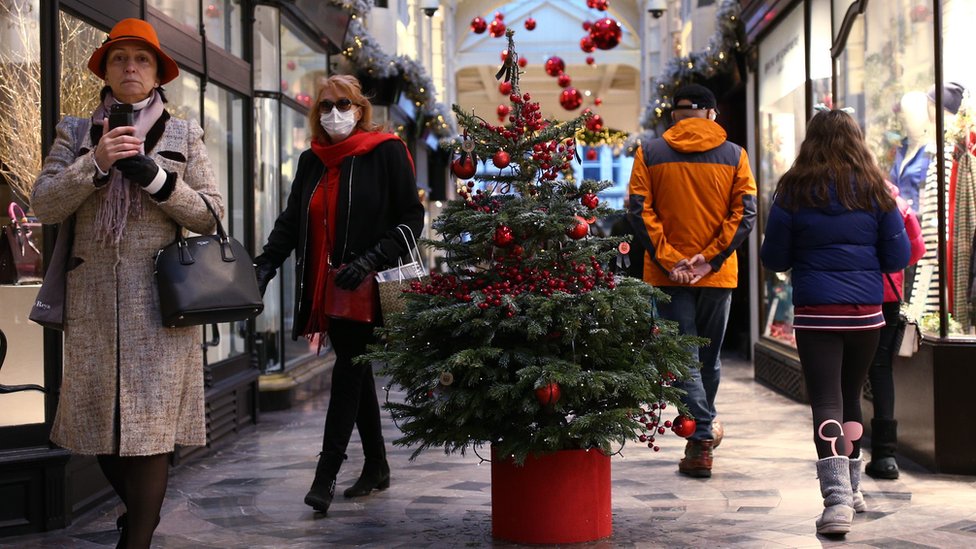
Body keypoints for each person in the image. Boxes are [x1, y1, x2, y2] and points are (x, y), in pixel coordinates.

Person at [30, 18, 221, 549]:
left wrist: (156, 178)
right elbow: (43, 203)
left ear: (158, 71)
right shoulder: (74, 131)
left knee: (150, 433)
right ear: (106, 71)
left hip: (161, 304)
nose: (130, 67)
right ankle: (138, 516)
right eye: (119, 59)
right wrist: (95, 164)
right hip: (90, 305)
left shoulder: (185, 134)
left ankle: (136, 539)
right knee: (102, 430)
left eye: (141, 59)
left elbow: (210, 216)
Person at [252, 74, 424, 515]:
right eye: (325, 106)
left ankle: (325, 475)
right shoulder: (312, 160)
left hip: (369, 284)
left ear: (360, 109)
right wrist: (267, 263)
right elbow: (293, 219)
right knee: (356, 366)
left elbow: (411, 217)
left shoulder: (385, 151)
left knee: (348, 368)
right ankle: (377, 466)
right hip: (327, 287)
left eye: (343, 105)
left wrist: (370, 260)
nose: (334, 114)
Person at [760, 109, 910, 536]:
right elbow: (897, 258)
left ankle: (837, 501)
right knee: (850, 397)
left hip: (816, 312)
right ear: (857, 140)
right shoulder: (877, 190)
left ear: (811, 141)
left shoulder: (793, 188)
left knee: (825, 401)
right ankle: (855, 488)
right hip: (867, 314)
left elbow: (775, 258)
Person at [626, 83, 757, 478]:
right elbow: (745, 214)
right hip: (716, 275)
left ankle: (699, 436)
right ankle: (702, 433)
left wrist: (672, 260)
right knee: (707, 357)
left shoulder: (649, 153)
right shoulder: (735, 155)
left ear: (673, 117)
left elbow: (638, 211)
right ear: (712, 115)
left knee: (682, 357)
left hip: (667, 275)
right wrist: (709, 259)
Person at [865, 182, 925, 481]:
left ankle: (842, 448)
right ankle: (885, 454)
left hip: (845, 296)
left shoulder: (835, 195)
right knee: (880, 368)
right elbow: (915, 250)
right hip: (886, 297)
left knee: (842, 368)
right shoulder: (895, 201)